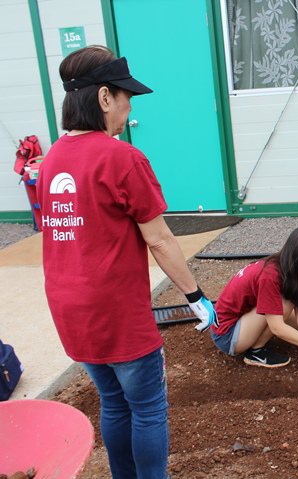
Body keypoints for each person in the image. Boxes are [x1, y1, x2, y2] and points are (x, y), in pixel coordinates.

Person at [37, 45, 217, 478]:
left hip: (70, 310)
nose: (130, 107)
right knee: (149, 408)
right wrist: (195, 295)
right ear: (104, 97)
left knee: (114, 402)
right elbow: (160, 240)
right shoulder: (122, 158)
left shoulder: (51, 160)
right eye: (126, 97)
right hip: (115, 311)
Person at [210, 225, 298, 378]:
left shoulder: (285, 265)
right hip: (227, 335)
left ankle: (256, 341)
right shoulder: (270, 276)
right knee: (285, 304)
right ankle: (256, 352)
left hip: (240, 320)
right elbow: (278, 328)